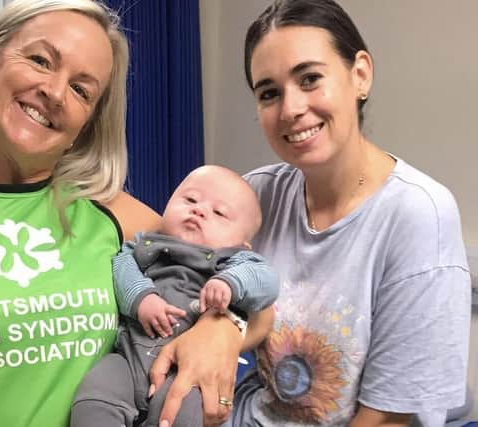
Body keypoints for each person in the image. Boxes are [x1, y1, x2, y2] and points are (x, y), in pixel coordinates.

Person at [0, 1, 251, 426]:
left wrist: (222, 331)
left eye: (81, 90)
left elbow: (247, 279)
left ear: (88, 123)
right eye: (40, 60)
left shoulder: (110, 212)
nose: (55, 93)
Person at [201, 0, 470, 426]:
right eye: (269, 92)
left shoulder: (419, 215)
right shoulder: (256, 196)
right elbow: (175, 267)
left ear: (360, 74)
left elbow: (387, 419)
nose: (290, 109)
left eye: (310, 79)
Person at [71, 165, 280, 427]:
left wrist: (230, 282)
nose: (199, 210)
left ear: (241, 243)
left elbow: (267, 283)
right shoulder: (145, 245)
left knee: (183, 413)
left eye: (219, 213)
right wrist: (141, 297)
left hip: (185, 372)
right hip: (128, 357)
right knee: (95, 396)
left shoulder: (235, 260)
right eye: (190, 199)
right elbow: (121, 265)